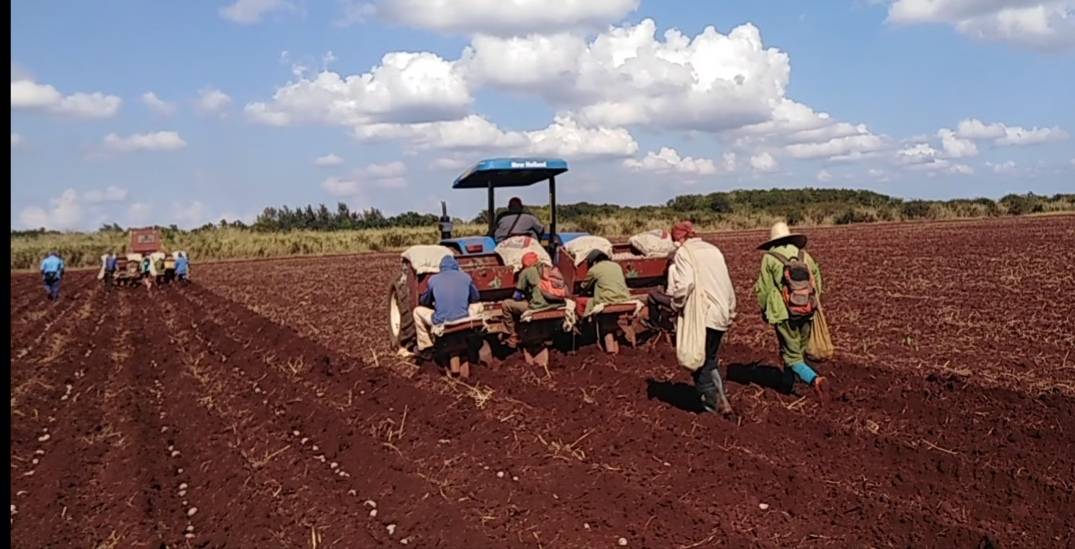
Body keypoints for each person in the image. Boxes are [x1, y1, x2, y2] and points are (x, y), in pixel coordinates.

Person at [665, 221, 738, 419]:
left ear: (679, 239)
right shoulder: (714, 250)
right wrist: (730, 310)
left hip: (702, 316)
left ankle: (714, 408)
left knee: (698, 364)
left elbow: (685, 284)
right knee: (711, 360)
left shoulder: (684, 253)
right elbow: (726, 282)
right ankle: (722, 400)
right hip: (721, 312)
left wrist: (675, 304)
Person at [755, 221, 828, 400]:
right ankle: (786, 385)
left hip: (783, 313)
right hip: (808, 309)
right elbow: (817, 281)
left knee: (791, 355)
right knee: (797, 349)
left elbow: (763, 289)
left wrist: (765, 311)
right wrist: (812, 304)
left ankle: (814, 380)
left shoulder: (769, 258)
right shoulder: (804, 255)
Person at [413, 255, 482, 358]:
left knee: (417, 312)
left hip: (441, 321)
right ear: (456, 266)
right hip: (464, 318)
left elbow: (424, 301)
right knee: (479, 306)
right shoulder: (466, 277)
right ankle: (478, 335)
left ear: (441, 268)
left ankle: (426, 347)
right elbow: (476, 297)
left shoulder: (433, 280)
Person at [499, 252, 557, 347]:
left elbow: (517, 296)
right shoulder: (549, 268)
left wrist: (521, 298)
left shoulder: (526, 272)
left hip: (539, 305)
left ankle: (512, 335)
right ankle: (548, 335)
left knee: (506, 304)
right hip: (555, 304)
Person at [576, 250, 631, 316]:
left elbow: (584, 288)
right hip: (625, 297)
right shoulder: (617, 266)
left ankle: (584, 323)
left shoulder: (594, 269)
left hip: (608, 299)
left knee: (579, 301)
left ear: (594, 262)